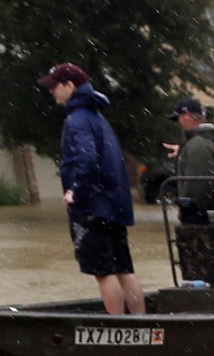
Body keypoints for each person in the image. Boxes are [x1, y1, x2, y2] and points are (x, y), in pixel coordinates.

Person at [39, 63, 143, 315]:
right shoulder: (99, 117)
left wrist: (76, 192)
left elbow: (86, 159)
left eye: (55, 86)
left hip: (93, 208)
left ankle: (118, 328)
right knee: (123, 269)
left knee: (103, 272)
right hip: (115, 207)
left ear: (69, 86)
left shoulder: (77, 120)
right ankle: (141, 322)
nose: (52, 91)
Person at [163, 97, 214, 225]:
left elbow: (198, 184)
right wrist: (183, 152)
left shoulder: (197, 145)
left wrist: (189, 211)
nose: (178, 123)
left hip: (203, 220)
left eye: (178, 118)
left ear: (187, 116)